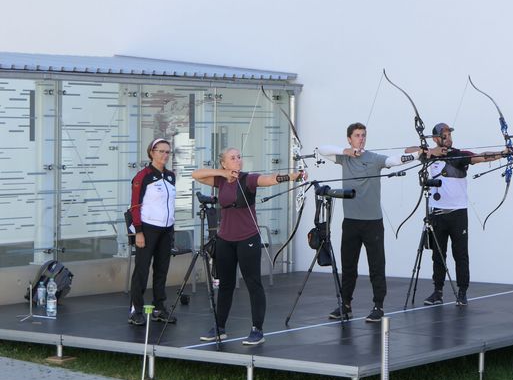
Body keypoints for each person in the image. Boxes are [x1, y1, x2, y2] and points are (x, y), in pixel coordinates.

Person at [191, 148, 305, 345]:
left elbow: (269, 179)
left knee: (253, 283)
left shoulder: (248, 179)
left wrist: (294, 176)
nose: (238, 160)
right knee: (225, 285)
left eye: (239, 157)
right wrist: (222, 173)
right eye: (232, 158)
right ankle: (219, 327)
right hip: (225, 239)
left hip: (248, 238)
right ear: (224, 163)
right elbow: (196, 175)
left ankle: (257, 329)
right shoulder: (219, 180)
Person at [408, 122, 513, 306]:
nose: (449, 138)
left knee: (460, 254)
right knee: (438, 254)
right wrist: (429, 151)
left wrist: (503, 153)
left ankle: (462, 292)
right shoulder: (428, 155)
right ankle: (438, 291)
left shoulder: (458, 155)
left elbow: (481, 157)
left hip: (458, 214)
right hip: (436, 213)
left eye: (450, 135)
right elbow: (408, 150)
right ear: (436, 139)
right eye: (444, 136)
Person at [317, 122, 417, 322]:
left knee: (376, 266)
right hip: (351, 223)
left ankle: (378, 306)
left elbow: (395, 160)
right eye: (357, 135)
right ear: (349, 138)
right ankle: (345, 305)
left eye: (363, 135)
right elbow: (320, 149)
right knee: (349, 266)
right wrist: (346, 151)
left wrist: (420, 154)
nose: (361, 138)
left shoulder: (374, 158)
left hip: (372, 223)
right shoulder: (344, 158)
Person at [128, 138, 177, 325]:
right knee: (142, 269)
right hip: (147, 229)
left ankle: (159, 307)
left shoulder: (171, 176)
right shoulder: (143, 176)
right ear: (151, 152)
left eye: (167, 152)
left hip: (166, 229)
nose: (164, 155)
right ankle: (136, 309)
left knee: (161, 269)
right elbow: (135, 206)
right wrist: (138, 232)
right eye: (161, 151)